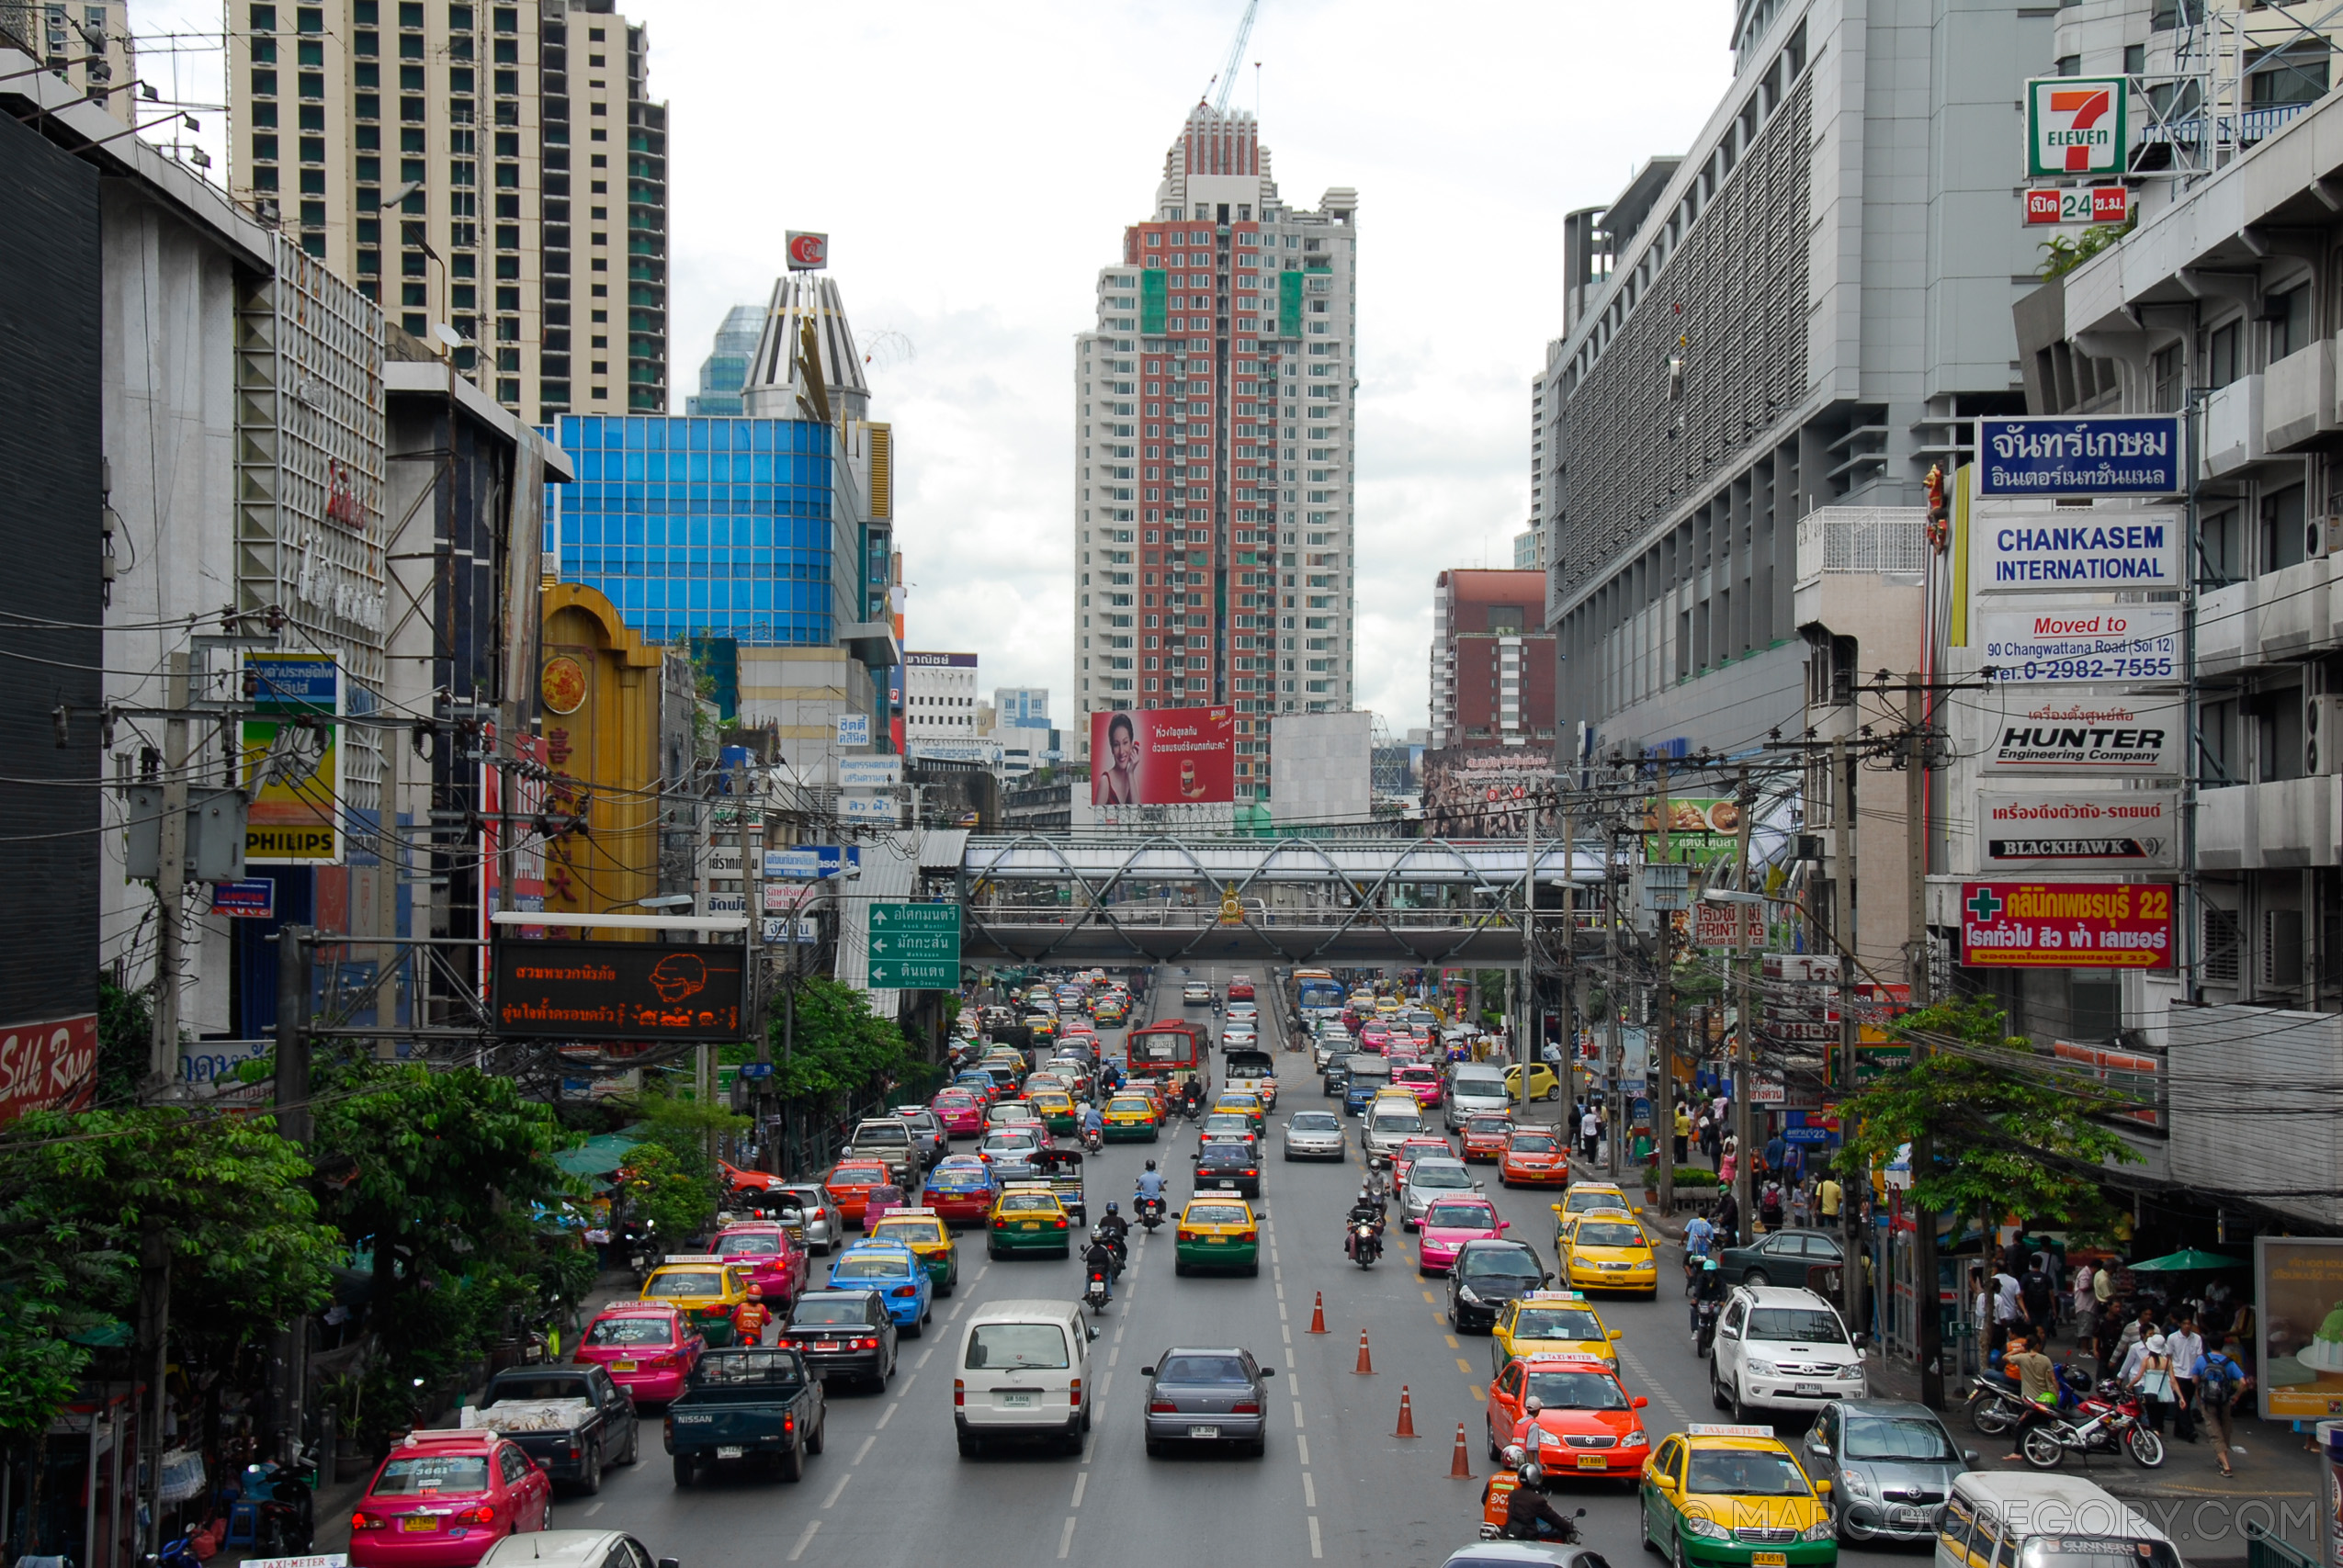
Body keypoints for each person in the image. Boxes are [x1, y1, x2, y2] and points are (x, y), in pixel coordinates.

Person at [2000, 1331, 2060, 1461]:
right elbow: (2053, 1379)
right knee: (2042, 1425)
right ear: (2038, 1345)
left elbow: (2005, 1357)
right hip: (2044, 1399)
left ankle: (2019, 1452)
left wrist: (2019, 1350)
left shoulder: (2022, 1358)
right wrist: (2056, 1394)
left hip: (2028, 1400)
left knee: (2022, 1425)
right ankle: (2039, 1452)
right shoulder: (2045, 1359)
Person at [2196, 1337, 2248, 1478]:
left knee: (2214, 1432)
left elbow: (2194, 1379)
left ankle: (2226, 1467)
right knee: (2225, 1430)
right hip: (2224, 1401)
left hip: (2207, 1401)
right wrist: (2236, 1396)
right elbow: (2243, 1382)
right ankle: (2222, 1459)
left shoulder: (2202, 1360)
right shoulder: (2229, 1363)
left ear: (2208, 1345)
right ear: (2223, 1346)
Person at [1502, 1462, 1578, 1542]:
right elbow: (1554, 1518)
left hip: (1509, 1533)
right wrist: (1570, 1528)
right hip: (1528, 1539)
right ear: (1535, 1477)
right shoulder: (1537, 1500)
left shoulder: (1513, 1494)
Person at [2166, 1314, 2204, 1443]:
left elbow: (2199, 1357)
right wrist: (2170, 1375)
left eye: (2189, 1324)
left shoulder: (2197, 1339)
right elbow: (2169, 1357)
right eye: (2185, 1323)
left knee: (2184, 1402)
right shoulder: (2172, 1338)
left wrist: (2197, 1374)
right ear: (2180, 1324)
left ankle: (2179, 1430)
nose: (2187, 1326)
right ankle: (2189, 1430)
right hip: (2177, 1375)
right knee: (2183, 1404)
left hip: (2191, 1375)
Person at [1096, 712, 1143, 805]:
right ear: (1112, 748)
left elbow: (1137, 815)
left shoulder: (1132, 778)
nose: (1121, 751)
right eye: (1116, 745)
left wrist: (1130, 773)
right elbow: (1097, 818)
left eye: (1125, 743)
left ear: (1131, 744)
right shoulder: (1105, 781)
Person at [732, 1283, 773, 1348]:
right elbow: (767, 1322)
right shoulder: (762, 1308)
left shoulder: (741, 1306)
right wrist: (770, 1320)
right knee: (761, 1351)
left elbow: (733, 1318)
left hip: (741, 1334)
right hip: (756, 1335)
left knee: (734, 1346)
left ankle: (732, 1356)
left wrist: (731, 1319)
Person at [1082, 1231, 1118, 1303]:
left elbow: (1083, 1258)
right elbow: (1112, 1259)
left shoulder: (1089, 1248)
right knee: (1108, 1277)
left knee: (1088, 1277)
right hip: (1103, 1270)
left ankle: (1086, 1292)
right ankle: (1108, 1294)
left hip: (1091, 1270)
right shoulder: (1105, 1248)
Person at [1673, 1101, 1692, 1167]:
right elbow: (1689, 1126)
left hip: (1679, 1134)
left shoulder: (1679, 1119)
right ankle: (1685, 1159)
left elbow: (1676, 1127)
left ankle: (1679, 1159)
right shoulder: (1687, 1118)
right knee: (1684, 1147)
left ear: (1680, 1112)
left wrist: (1673, 1126)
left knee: (1678, 1147)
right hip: (1686, 1134)